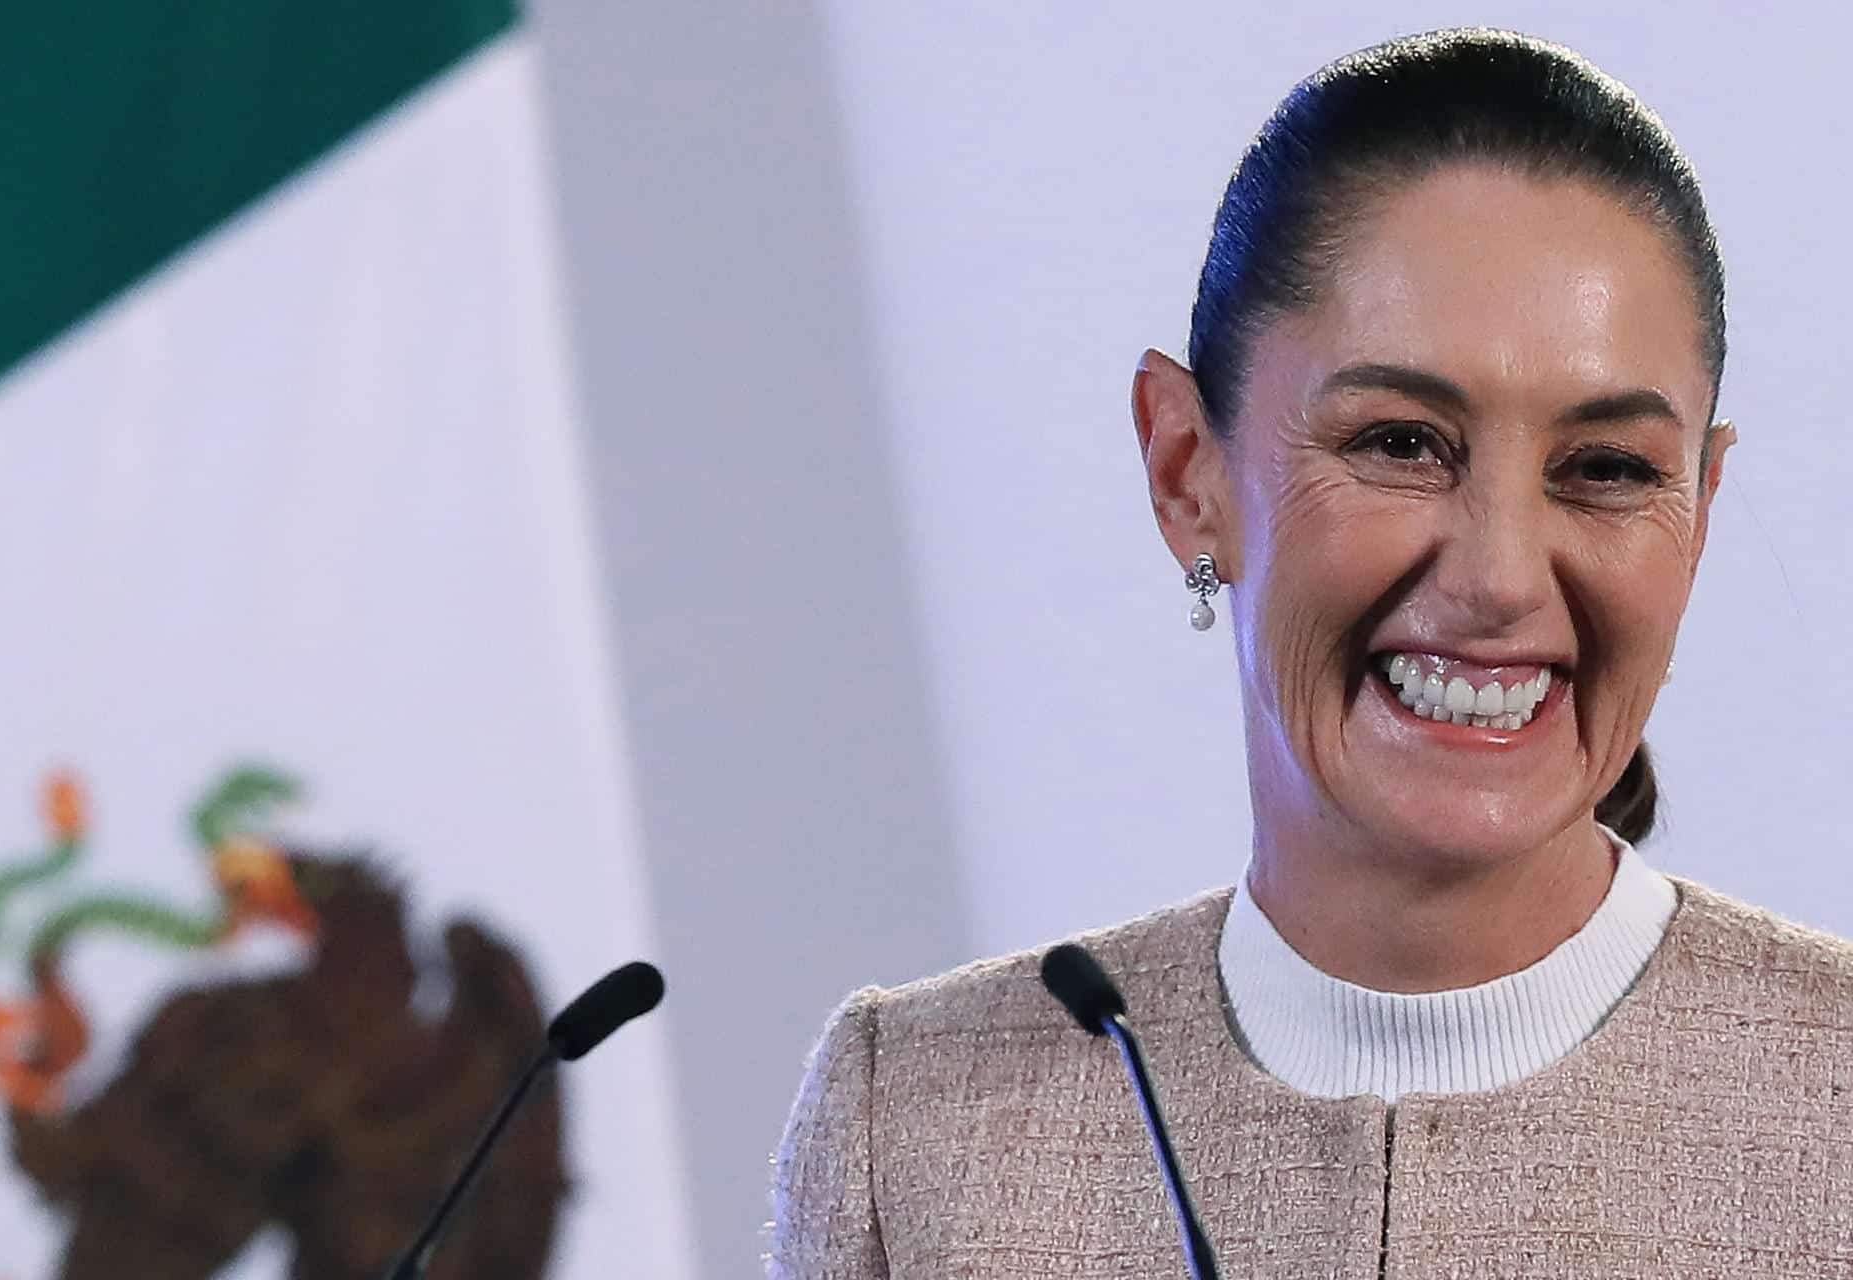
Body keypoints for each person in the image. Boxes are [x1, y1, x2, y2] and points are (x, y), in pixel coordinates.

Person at [766, 28, 1853, 1279]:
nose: (1500, 574)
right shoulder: (913, 1126)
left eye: (1606, 468)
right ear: (1187, 469)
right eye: (1399, 441)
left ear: (1701, 509)